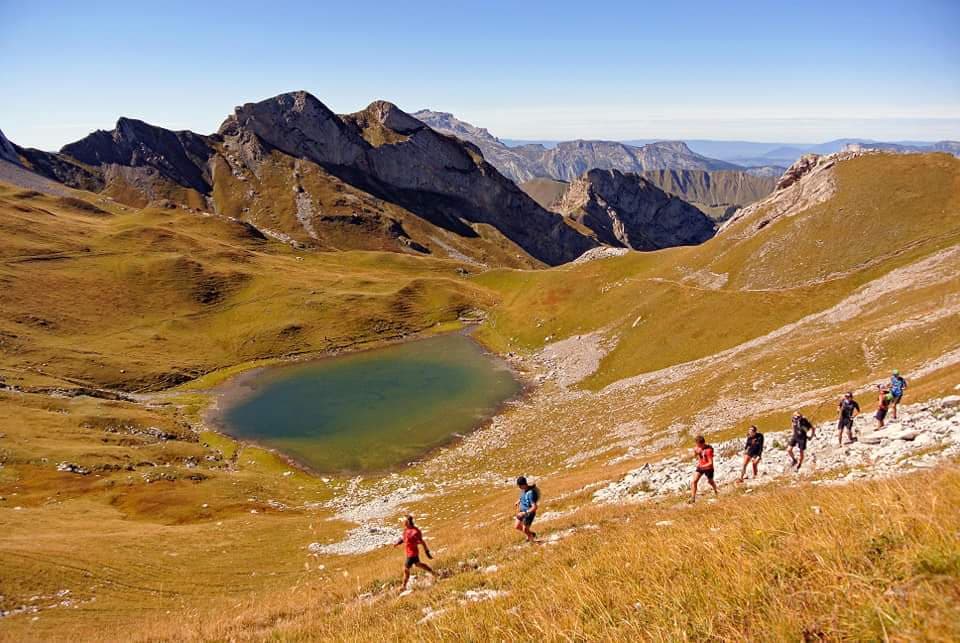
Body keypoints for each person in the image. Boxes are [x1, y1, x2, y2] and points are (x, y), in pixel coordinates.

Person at [394, 515, 436, 592]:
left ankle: (403, 586)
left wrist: (427, 552)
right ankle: (433, 573)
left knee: (406, 569)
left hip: (412, 553)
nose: (402, 522)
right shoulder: (406, 530)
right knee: (418, 564)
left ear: (408, 522)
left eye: (404, 521)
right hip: (409, 552)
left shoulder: (415, 532)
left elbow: (422, 541)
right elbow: (404, 538)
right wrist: (398, 543)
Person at [691, 435, 718, 502]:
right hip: (700, 467)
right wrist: (695, 452)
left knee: (710, 481)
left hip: (708, 468)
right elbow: (694, 455)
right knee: (694, 481)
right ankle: (693, 498)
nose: (697, 446)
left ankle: (716, 490)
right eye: (696, 444)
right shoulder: (698, 447)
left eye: (698, 445)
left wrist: (703, 466)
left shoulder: (708, 450)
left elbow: (710, 463)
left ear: (702, 443)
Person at [514, 476, 540, 542]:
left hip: (529, 513)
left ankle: (532, 541)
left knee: (525, 529)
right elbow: (522, 497)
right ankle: (531, 534)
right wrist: (518, 501)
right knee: (517, 526)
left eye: (520, 486)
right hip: (521, 511)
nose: (519, 487)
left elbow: (535, 507)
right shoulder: (523, 490)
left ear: (524, 484)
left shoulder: (531, 493)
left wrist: (525, 513)